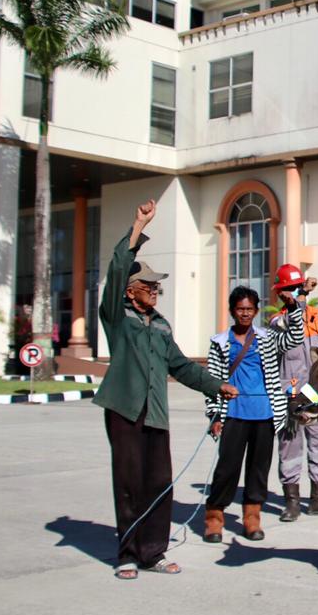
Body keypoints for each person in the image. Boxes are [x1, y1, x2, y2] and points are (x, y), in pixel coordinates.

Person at [94, 199, 237, 581]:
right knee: (129, 482)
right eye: (149, 285)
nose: (156, 290)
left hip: (156, 412)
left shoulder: (160, 325)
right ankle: (127, 554)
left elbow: (182, 366)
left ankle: (153, 552)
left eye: (157, 285)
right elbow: (117, 267)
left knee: (158, 482)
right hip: (124, 410)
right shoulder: (117, 317)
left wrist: (216, 386)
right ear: (130, 291)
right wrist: (139, 225)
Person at [202, 278, 304, 543]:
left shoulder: (267, 338)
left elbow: (295, 337)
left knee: (259, 469)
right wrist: (214, 414)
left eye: (249, 309)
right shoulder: (220, 342)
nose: (245, 313)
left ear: (256, 311)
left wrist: (293, 307)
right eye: (240, 309)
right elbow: (212, 380)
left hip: (264, 414)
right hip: (233, 414)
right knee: (227, 469)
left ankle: (252, 517)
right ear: (232, 311)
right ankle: (214, 517)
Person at [269, 265, 318, 521]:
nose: (291, 292)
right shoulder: (277, 321)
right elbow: (294, 320)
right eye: (288, 289)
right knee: (289, 448)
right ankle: (291, 502)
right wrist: (301, 296)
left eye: (295, 287)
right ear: (279, 293)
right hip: (290, 394)